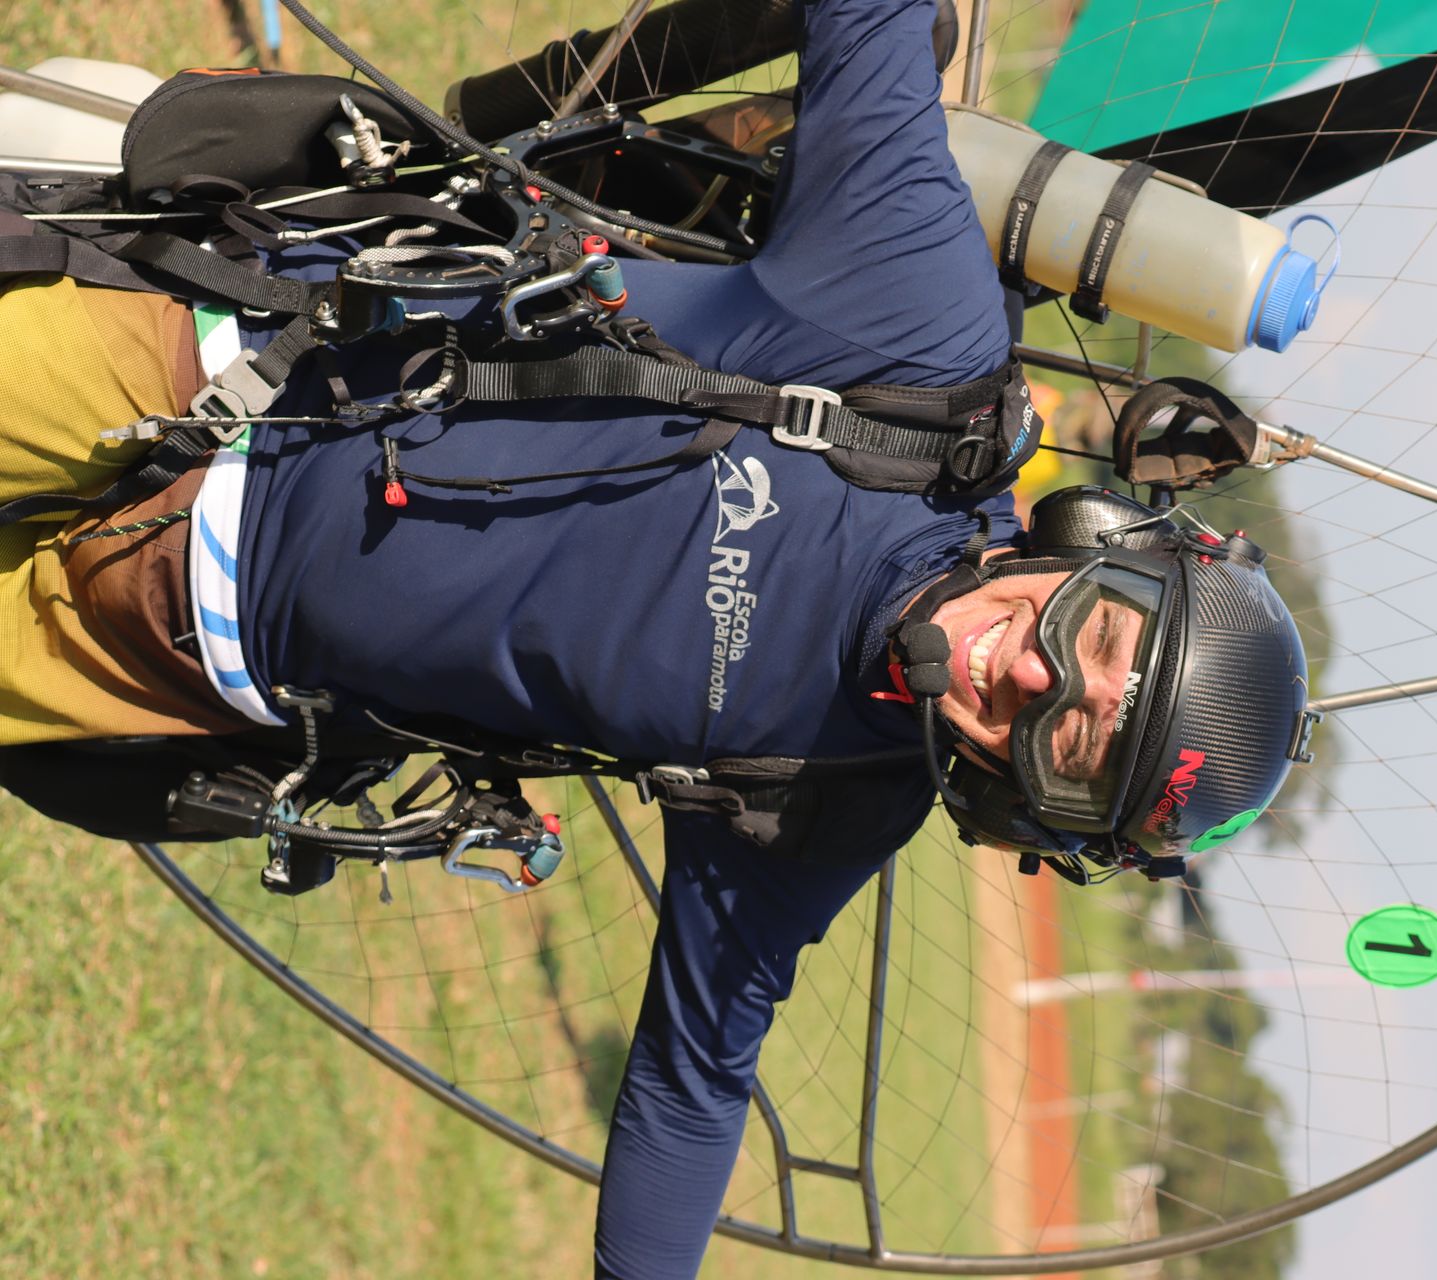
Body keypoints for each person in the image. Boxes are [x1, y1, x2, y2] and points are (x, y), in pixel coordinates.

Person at [0, 1, 1309, 1275]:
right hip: (201, 355)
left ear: (1030, 811)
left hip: (167, 655)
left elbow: (694, 1086)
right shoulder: (915, 346)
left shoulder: (825, 804)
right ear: (1093, 540)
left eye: (1064, 743)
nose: (1026, 674)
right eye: (1091, 637)